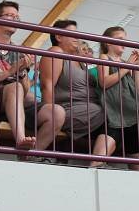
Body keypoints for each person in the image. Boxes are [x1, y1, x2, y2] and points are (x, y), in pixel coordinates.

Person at [0, 0, 64, 152]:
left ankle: (30, 154)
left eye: (17, 17)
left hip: (13, 106)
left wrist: (22, 72)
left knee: (57, 112)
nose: (15, 19)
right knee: (14, 87)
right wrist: (9, 72)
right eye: (10, 16)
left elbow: (24, 91)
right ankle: (20, 140)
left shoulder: (17, 51)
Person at [39, 20, 114, 166]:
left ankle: (100, 163)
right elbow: (47, 86)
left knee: (123, 121)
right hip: (68, 110)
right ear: (59, 37)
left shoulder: (79, 60)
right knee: (114, 115)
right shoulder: (56, 52)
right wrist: (52, 116)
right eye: (72, 33)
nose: (77, 37)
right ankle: (97, 164)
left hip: (89, 111)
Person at [98, 26, 139, 172]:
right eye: (120, 39)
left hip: (129, 99)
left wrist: (136, 69)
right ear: (108, 42)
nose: (124, 43)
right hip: (116, 99)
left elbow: (133, 86)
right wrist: (127, 66)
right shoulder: (104, 57)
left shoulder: (124, 61)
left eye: (125, 39)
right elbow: (104, 82)